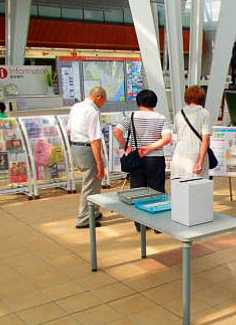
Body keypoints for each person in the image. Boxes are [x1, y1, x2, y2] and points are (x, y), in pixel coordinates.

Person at [114, 90, 171, 232]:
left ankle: (141, 224)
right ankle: (158, 224)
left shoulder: (131, 116)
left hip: (136, 158)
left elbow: (117, 131)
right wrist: (150, 147)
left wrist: (127, 147)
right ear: (155, 102)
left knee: (137, 190)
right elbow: (167, 138)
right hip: (156, 159)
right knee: (156, 189)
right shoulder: (161, 118)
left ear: (138, 102)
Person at [67, 87, 107, 229]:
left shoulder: (76, 107)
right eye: (104, 100)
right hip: (86, 149)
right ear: (98, 97)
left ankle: (93, 212)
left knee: (93, 182)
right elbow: (95, 140)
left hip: (75, 146)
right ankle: (84, 218)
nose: (104, 103)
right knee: (90, 184)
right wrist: (100, 163)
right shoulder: (93, 112)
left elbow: (69, 129)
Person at [170, 86, 212, 179]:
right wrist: (200, 161)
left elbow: (177, 134)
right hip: (196, 152)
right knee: (197, 186)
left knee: (180, 185)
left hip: (179, 153)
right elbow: (206, 139)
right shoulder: (204, 113)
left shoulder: (179, 114)